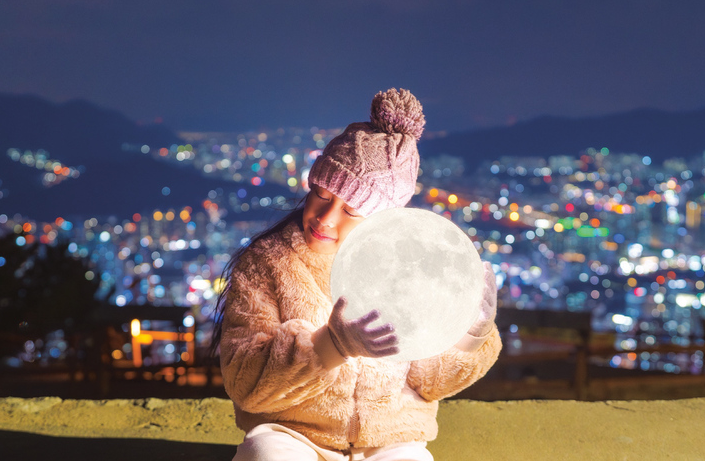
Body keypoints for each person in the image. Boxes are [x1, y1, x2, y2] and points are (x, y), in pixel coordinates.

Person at [213, 88, 501, 461]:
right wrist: (331, 345)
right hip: (293, 434)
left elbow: (430, 383)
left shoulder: (410, 271)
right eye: (321, 194)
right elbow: (244, 380)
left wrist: (467, 336)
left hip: (391, 438)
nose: (325, 217)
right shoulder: (267, 264)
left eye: (352, 210)